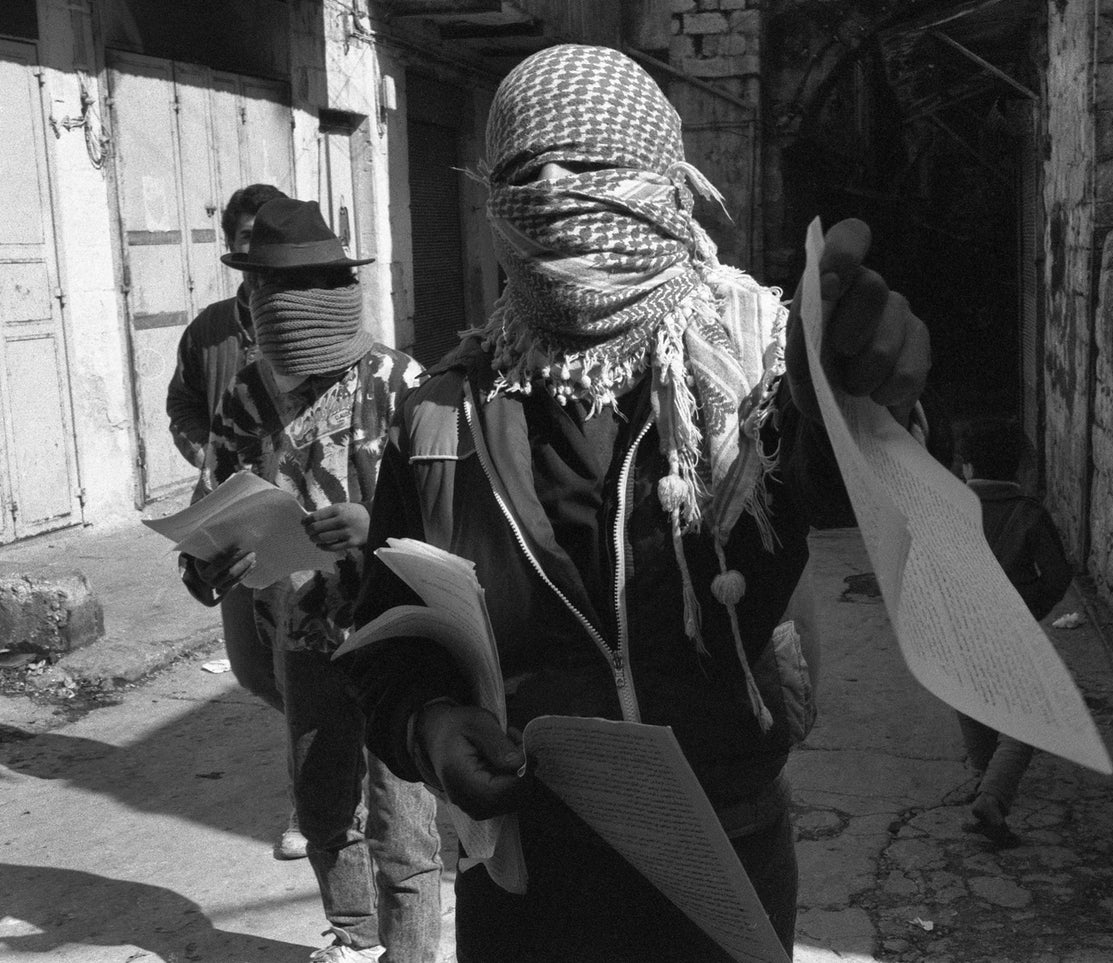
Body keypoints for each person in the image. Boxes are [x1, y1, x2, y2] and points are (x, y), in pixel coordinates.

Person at [337, 44, 931, 962]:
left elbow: (873, 494)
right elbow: (387, 645)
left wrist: (869, 398)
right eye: (525, 172)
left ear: (667, 182)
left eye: (589, 163)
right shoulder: (439, 415)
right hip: (527, 880)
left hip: (724, 862)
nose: (555, 189)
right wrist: (432, 726)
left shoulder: (757, 371)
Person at [181, 198, 442, 963]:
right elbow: (212, 508)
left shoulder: (403, 383)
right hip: (304, 629)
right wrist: (209, 560)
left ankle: (412, 954)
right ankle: (354, 940)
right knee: (323, 802)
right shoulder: (247, 396)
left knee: (403, 823)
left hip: (395, 630)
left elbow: (451, 521)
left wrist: (374, 527)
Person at [165, 183, 305, 860]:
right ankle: (345, 745)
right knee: (253, 667)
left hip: (300, 521)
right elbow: (183, 405)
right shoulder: (209, 331)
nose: (255, 253)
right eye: (245, 240)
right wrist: (205, 452)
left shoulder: (307, 321)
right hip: (234, 517)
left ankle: (319, 793)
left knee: (304, 665)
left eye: (265, 239)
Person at [954, 418, 1072, 846]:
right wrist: (1030, 607)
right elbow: (1057, 575)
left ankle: (986, 781)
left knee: (974, 705)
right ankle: (991, 798)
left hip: (959, 633)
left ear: (966, 466)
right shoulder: (1029, 513)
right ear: (1019, 467)